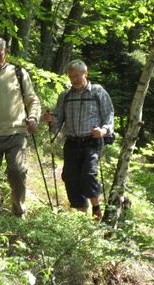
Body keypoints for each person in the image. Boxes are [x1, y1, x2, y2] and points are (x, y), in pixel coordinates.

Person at [43, 60, 114, 221]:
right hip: (72, 142)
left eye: (77, 75)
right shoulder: (66, 95)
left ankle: (96, 208)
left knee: (88, 174)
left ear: (85, 73)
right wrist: (51, 119)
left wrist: (103, 130)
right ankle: (81, 219)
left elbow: (108, 116)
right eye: (71, 76)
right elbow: (59, 119)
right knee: (70, 177)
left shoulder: (98, 92)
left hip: (91, 142)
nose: (74, 79)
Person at [0, 37, 41, 218]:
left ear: (6, 53)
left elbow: (32, 100)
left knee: (18, 171)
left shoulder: (18, 73)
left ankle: (18, 212)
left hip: (17, 133)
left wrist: (33, 118)